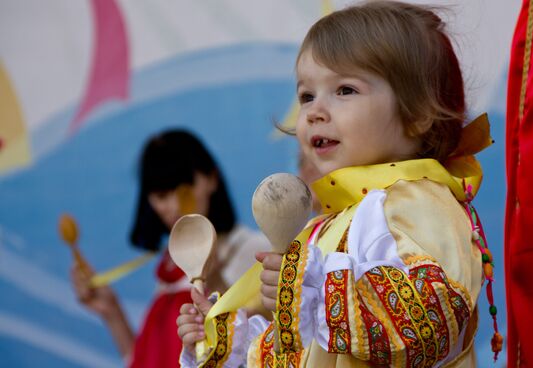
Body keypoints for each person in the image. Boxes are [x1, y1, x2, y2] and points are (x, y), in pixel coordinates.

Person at [177, 2, 499, 366]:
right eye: (306, 96)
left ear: (419, 113)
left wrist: (314, 291)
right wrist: (229, 345)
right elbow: (309, 353)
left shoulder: (418, 201)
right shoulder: (328, 224)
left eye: (345, 90)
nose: (313, 111)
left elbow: (433, 319)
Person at [70, 129, 269, 368]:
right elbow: (153, 361)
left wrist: (213, 276)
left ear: (212, 178)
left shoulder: (252, 250)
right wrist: (112, 313)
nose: (175, 206)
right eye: (162, 195)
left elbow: (266, 350)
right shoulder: (169, 268)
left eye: (184, 189)